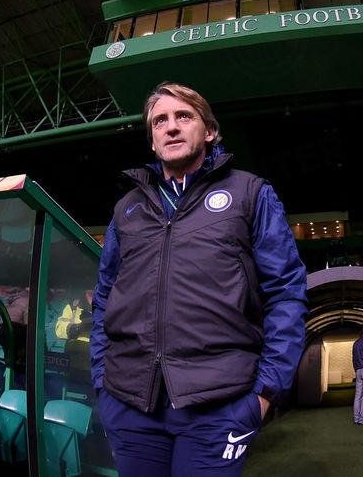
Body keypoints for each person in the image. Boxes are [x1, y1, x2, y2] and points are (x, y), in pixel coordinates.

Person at [90, 82, 308, 477]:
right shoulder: (127, 209)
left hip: (220, 406)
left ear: (209, 131)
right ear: (153, 141)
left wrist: (264, 393)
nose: (171, 127)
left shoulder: (250, 194)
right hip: (131, 404)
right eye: (160, 121)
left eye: (183, 116)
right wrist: (102, 386)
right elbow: (105, 297)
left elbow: (285, 295)